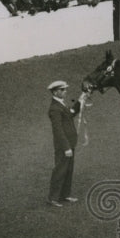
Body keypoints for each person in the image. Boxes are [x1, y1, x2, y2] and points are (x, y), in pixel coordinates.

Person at [47, 79, 84, 207]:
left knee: (68, 170)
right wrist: (66, 147)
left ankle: (64, 195)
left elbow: (71, 113)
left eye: (65, 89)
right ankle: (53, 198)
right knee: (60, 170)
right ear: (55, 92)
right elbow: (58, 130)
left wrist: (81, 100)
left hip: (70, 144)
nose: (65, 92)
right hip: (64, 146)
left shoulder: (61, 105)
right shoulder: (54, 109)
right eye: (62, 90)